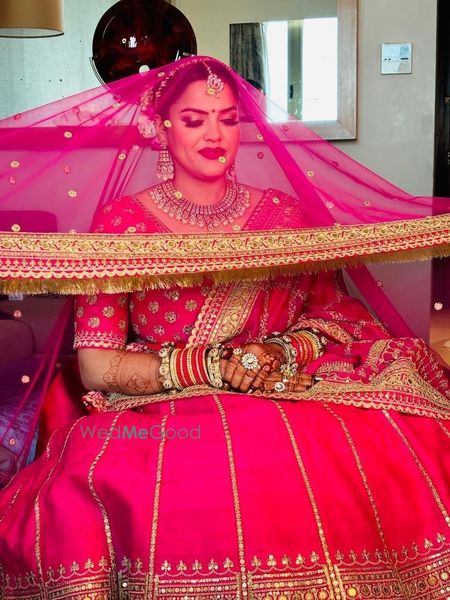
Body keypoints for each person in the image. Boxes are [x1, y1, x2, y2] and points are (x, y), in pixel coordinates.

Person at [0, 56, 449, 599]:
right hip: (166, 403)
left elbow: (336, 314)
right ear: (160, 128)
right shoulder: (121, 225)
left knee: (391, 441)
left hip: (285, 386)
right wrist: (214, 365)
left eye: (228, 119)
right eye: (195, 120)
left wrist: (278, 351)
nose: (215, 135)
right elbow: (96, 365)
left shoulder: (284, 217)